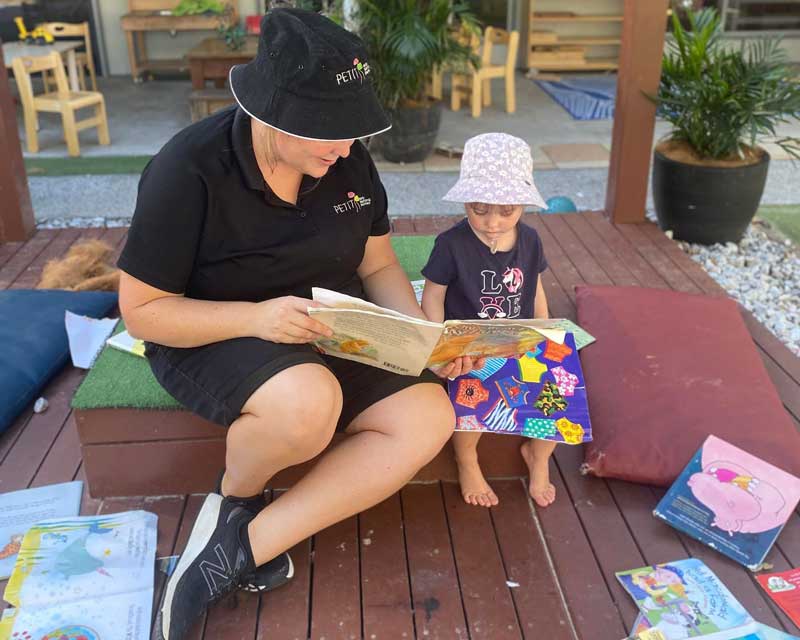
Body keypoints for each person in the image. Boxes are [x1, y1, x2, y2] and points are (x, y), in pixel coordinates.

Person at [117, 9, 476, 639]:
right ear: (271, 115)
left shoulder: (348, 163)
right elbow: (143, 312)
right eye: (328, 134)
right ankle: (238, 493)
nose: (344, 148)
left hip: (329, 323)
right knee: (308, 404)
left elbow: (380, 264)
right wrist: (258, 318)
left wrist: (424, 340)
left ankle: (235, 547)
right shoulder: (187, 169)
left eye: (352, 133)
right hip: (215, 329)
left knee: (429, 414)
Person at [420, 132, 558, 509]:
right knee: (472, 394)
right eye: (479, 210)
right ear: (466, 200)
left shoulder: (530, 240)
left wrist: (543, 329)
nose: (492, 222)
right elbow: (432, 295)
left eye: (506, 211)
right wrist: (437, 343)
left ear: (523, 206)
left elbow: (536, 286)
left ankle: (539, 456)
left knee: (558, 393)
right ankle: (467, 459)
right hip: (471, 343)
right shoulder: (451, 244)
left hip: (518, 336)